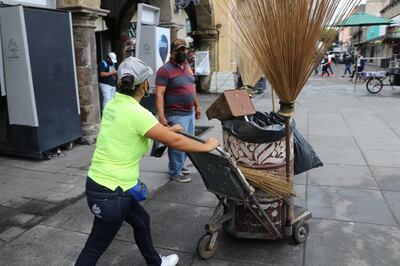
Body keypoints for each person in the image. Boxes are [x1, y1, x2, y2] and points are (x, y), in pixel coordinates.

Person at [75, 57, 219, 266]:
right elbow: (175, 142)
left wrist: (167, 130)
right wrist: (207, 146)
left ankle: (155, 262)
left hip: (105, 186)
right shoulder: (137, 113)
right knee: (94, 248)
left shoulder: (114, 105)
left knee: (142, 221)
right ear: (144, 85)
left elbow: (135, 131)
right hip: (112, 193)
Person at [155, 39, 201, 183]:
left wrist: (197, 105)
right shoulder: (165, 70)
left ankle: (179, 165)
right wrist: (161, 116)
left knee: (187, 143)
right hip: (175, 114)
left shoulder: (187, 66)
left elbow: (192, 88)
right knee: (177, 144)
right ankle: (175, 172)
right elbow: (159, 94)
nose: (182, 53)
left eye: (184, 49)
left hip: (190, 112)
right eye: (178, 50)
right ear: (171, 52)